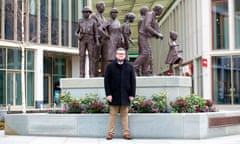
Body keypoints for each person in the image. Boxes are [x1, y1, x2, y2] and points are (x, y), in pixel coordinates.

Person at [104, 48, 136, 140]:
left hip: (126, 95)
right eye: (119, 54)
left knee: (124, 115)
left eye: (122, 54)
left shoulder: (130, 67)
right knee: (112, 115)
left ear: (125, 55)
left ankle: (126, 133)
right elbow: (107, 82)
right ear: (116, 55)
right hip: (113, 95)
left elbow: (133, 81)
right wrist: (108, 94)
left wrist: (132, 94)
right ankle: (110, 133)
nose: (121, 55)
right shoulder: (110, 66)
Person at [133, 4, 164, 76]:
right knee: (145, 52)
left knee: (148, 54)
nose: (161, 13)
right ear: (158, 10)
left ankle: (146, 72)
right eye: (161, 11)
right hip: (142, 36)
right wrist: (157, 34)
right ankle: (134, 67)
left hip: (146, 37)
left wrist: (156, 35)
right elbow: (147, 26)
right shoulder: (150, 14)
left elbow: (151, 29)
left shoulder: (153, 17)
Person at [98, 8, 124, 75]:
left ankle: (115, 72)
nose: (115, 14)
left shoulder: (118, 22)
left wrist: (122, 38)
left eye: (116, 13)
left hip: (117, 41)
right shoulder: (108, 21)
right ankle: (107, 73)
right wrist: (106, 35)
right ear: (110, 14)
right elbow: (100, 29)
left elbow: (120, 32)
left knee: (116, 57)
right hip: (110, 41)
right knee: (109, 57)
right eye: (113, 12)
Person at [75, 7, 99, 78]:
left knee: (91, 57)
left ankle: (91, 73)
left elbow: (96, 33)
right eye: (84, 12)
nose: (86, 13)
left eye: (88, 12)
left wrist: (97, 41)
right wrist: (78, 36)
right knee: (82, 56)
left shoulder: (93, 22)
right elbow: (76, 32)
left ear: (90, 13)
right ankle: (81, 74)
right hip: (82, 40)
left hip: (91, 39)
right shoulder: (80, 21)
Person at [91, 1, 106, 76]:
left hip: (103, 40)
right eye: (103, 6)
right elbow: (95, 28)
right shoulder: (94, 16)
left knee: (103, 57)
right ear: (99, 7)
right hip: (96, 40)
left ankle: (103, 73)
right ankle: (94, 74)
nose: (104, 8)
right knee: (95, 58)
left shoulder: (103, 17)